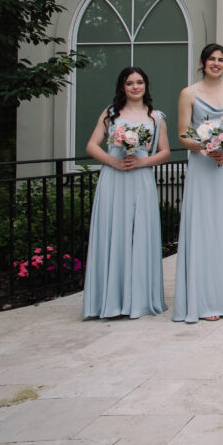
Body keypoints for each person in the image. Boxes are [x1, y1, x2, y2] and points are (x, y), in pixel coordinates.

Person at [172, 43, 223, 322]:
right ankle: (206, 301)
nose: (216, 63)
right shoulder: (188, 93)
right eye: (211, 59)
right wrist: (205, 148)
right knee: (205, 230)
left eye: (221, 59)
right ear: (202, 62)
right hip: (203, 167)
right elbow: (183, 134)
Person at [82, 67, 170, 318]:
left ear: (146, 85)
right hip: (114, 178)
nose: (135, 87)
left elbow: (164, 151)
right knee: (114, 232)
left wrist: (142, 162)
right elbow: (91, 145)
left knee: (141, 233)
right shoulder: (111, 113)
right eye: (130, 83)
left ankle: (140, 300)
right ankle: (109, 300)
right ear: (122, 86)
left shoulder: (156, 117)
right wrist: (114, 162)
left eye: (140, 82)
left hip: (141, 178)